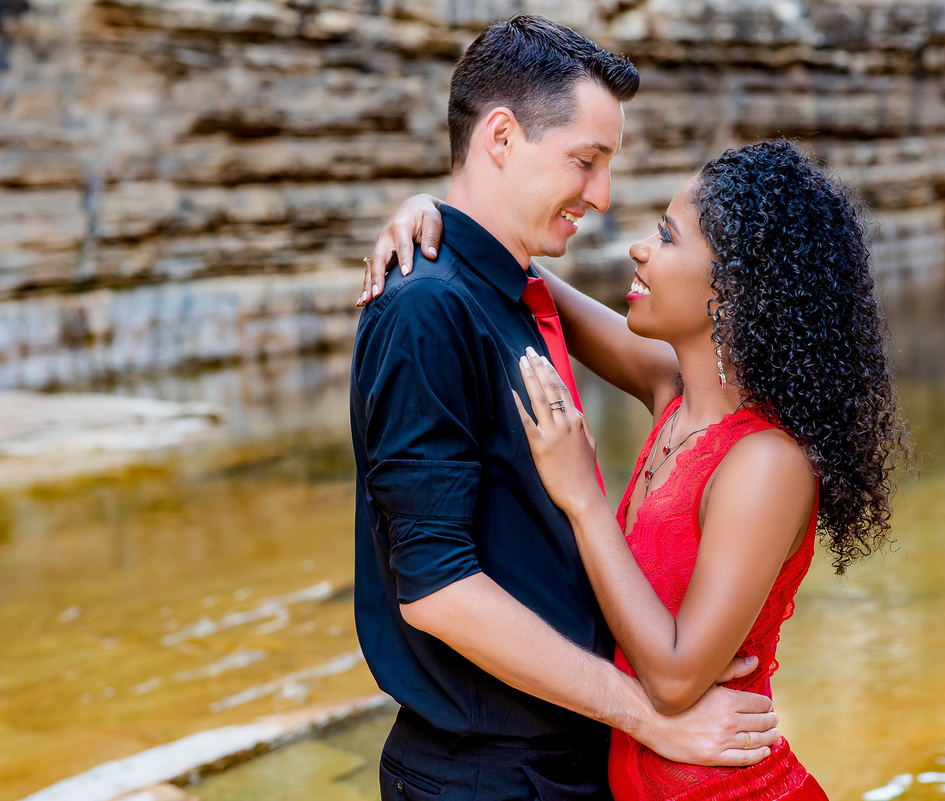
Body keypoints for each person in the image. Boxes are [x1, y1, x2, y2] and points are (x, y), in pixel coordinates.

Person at [362, 140, 907, 799]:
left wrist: (584, 499)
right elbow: (513, 267)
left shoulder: (766, 461)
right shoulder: (673, 391)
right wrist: (436, 219)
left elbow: (676, 679)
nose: (640, 249)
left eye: (667, 238)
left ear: (731, 291)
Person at [350, 15, 781, 801]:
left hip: (564, 762)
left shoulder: (513, 293)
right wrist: (646, 716)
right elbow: (437, 588)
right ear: (502, 137)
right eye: (586, 161)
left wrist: (442, 213)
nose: (603, 197)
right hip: (485, 774)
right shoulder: (424, 310)